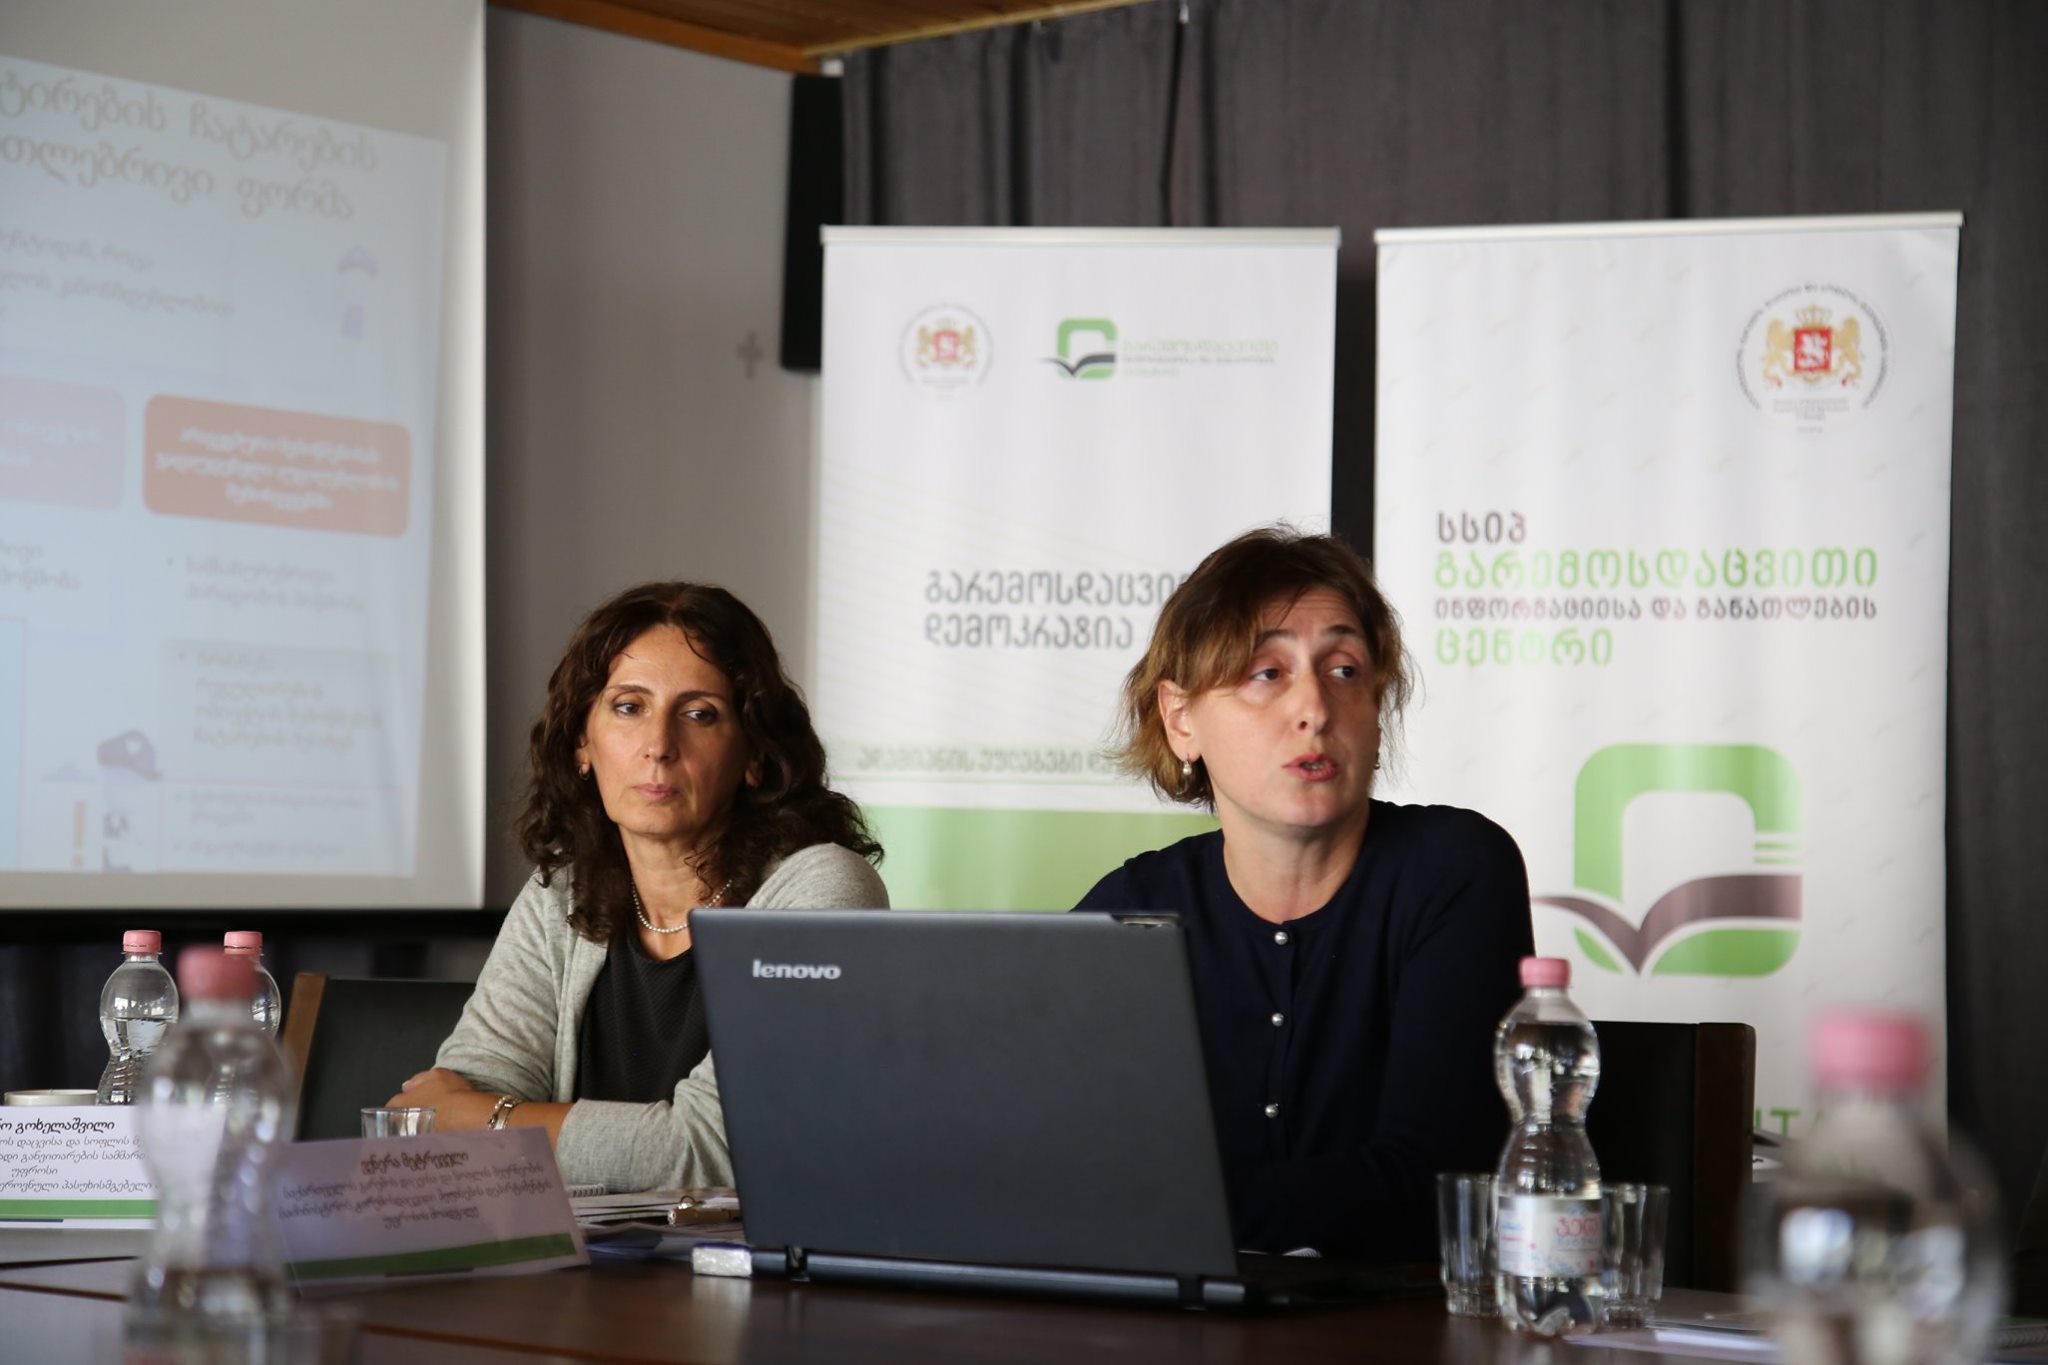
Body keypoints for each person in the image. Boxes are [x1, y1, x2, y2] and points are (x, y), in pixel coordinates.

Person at [1075, 526, 1533, 1260]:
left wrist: (1157, 1209)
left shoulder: (1455, 869)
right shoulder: (1130, 909)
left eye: (1345, 669)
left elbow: (1432, 1183)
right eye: (1267, 673)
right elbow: (1053, 1164)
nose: (1315, 707)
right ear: (1181, 720)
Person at [393, 582, 887, 1191]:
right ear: (583, 743)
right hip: (581, 1255)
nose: (658, 746)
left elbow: (721, 1151)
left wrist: (493, 1125)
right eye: (629, 707)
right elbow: (449, 1109)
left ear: (754, 755)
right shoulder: (560, 895)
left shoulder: (821, 891)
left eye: (699, 714)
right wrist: (481, 1119)